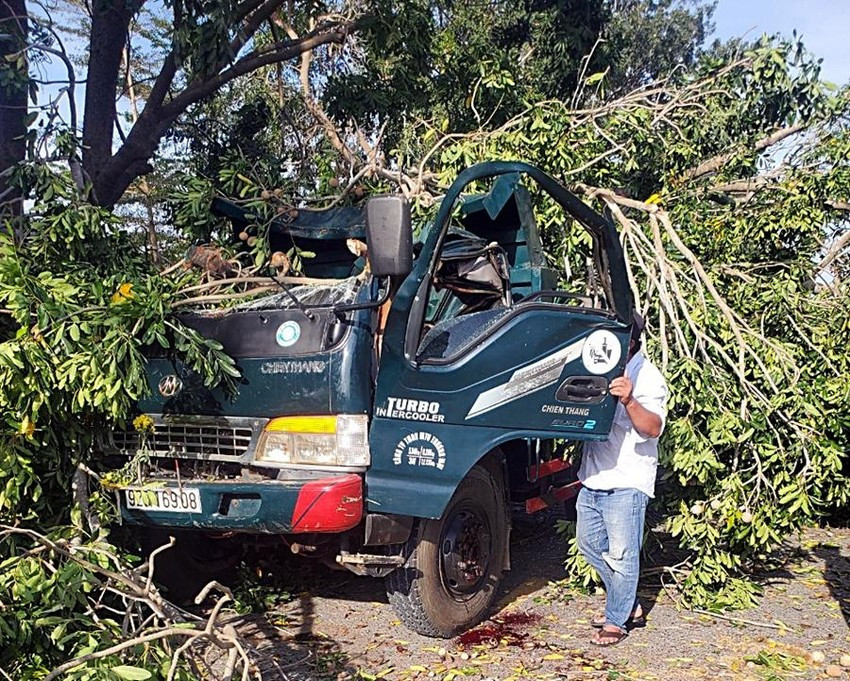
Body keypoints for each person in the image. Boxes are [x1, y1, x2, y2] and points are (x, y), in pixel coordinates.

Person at [576, 312, 668, 646]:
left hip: (627, 480)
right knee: (589, 546)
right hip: (594, 478)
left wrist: (629, 399)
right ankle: (628, 605)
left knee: (623, 555)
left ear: (629, 341)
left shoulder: (648, 377)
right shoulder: (600, 367)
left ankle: (617, 620)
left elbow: (653, 428)